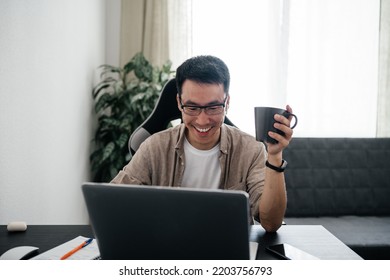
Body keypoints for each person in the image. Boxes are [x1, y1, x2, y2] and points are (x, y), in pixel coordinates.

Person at [111, 55, 294, 232]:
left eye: (213, 107)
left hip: (228, 248)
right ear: (179, 102)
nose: (202, 120)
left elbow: (271, 223)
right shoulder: (154, 147)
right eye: (192, 108)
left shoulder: (251, 150)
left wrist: (275, 156)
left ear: (227, 102)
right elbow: (113, 204)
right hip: (167, 246)